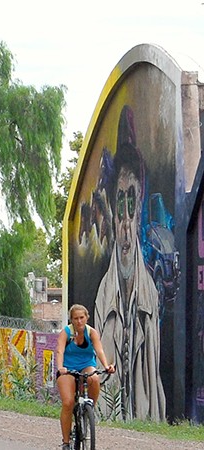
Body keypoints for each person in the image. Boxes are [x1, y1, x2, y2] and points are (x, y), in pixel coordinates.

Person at [94, 105, 164, 421]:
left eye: (131, 205)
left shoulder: (149, 296)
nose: (124, 223)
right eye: (119, 206)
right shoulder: (103, 296)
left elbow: (153, 381)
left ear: (139, 209)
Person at [56, 304, 115, 450]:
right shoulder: (66, 333)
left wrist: (106, 365)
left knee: (94, 378)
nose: (79, 321)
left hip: (86, 365)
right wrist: (60, 367)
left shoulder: (92, 333)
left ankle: (88, 411)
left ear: (87, 317)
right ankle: (66, 442)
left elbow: (99, 351)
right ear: (71, 320)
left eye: (82, 317)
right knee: (68, 403)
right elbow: (59, 351)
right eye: (75, 318)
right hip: (68, 368)